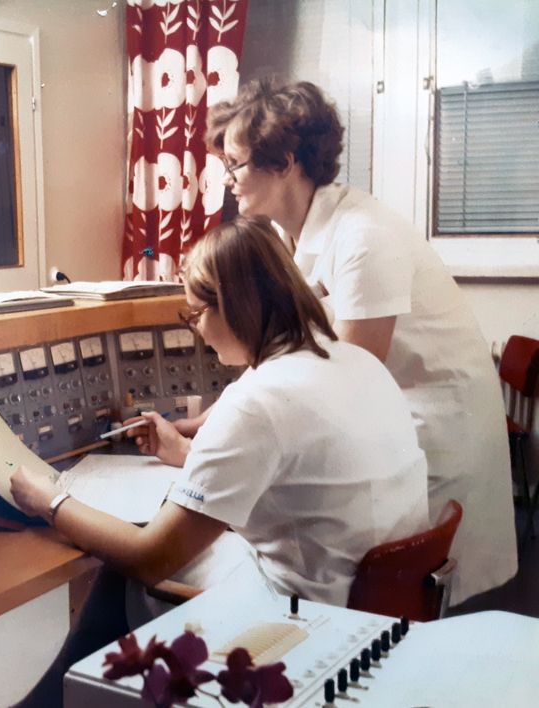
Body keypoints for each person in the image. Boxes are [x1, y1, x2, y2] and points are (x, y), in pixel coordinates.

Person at [192, 77, 516, 605]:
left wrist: (218, 439)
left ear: (285, 161)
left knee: (414, 593)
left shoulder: (364, 235)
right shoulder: (288, 236)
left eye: (235, 164)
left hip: (433, 423)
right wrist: (205, 422)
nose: (227, 180)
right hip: (389, 414)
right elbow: (289, 354)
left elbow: (345, 378)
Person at [10, 216, 430, 611]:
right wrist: (187, 455)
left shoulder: (256, 400)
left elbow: (149, 558)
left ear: (233, 306)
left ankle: (88, 668)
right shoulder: (359, 361)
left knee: (119, 564)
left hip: (303, 618)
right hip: (376, 608)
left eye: (195, 313)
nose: (196, 329)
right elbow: (302, 481)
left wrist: (51, 502)